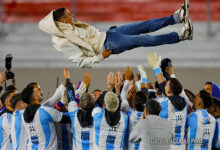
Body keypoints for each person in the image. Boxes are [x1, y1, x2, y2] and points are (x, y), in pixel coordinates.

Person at [38, 2, 193, 68]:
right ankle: (182, 35)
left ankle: (177, 17)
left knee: (145, 24)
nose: (72, 16)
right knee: (144, 39)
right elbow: (80, 62)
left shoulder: (68, 25)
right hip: (109, 45)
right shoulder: (63, 42)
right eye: (69, 15)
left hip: (110, 33)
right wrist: (100, 57)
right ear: (62, 20)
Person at [21, 69, 71, 150]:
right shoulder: (45, 111)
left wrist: (60, 91)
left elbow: (44, 106)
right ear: (34, 96)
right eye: (39, 89)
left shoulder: (24, 115)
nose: (42, 91)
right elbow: (71, 117)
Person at [147, 52, 187, 150]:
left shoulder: (162, 103)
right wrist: (163, 72)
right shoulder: (184, 101)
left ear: (168, 90)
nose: (165, 85)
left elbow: (147, 106)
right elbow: (177, 89)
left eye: (167, 85)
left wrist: (148, 87)